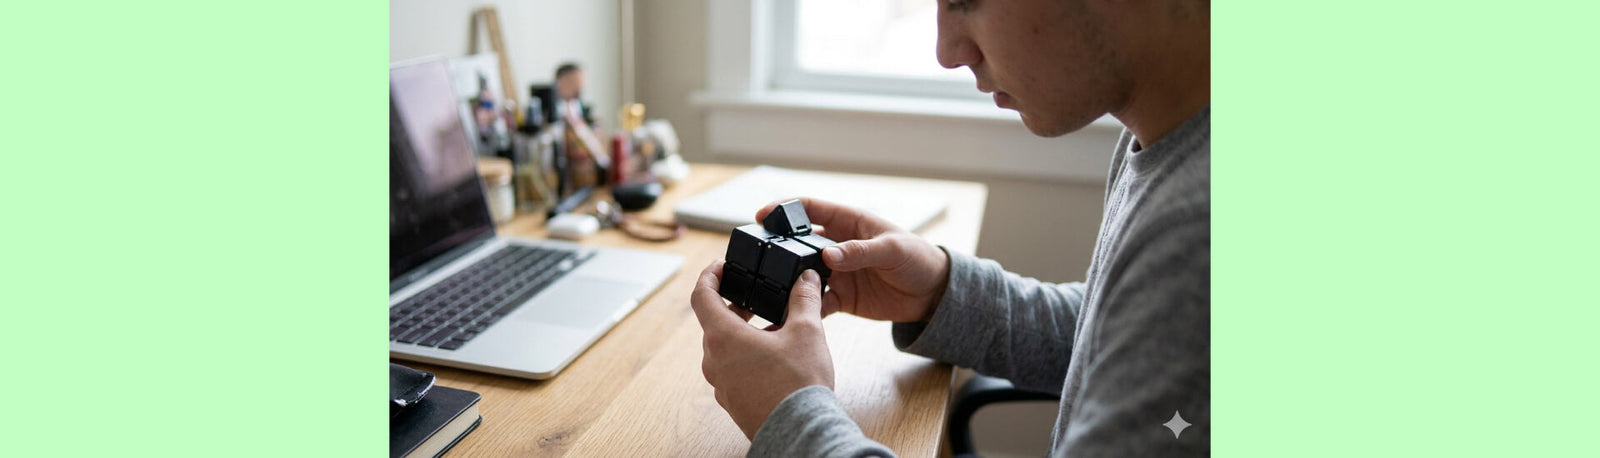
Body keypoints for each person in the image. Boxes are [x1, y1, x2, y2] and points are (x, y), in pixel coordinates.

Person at [689, 0, 1209, 456]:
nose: (947, 51)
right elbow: (1124, 340)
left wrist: (790, 417)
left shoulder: (1200, 234)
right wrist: (944, 295)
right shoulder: (1165, 135)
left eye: (965, 0)